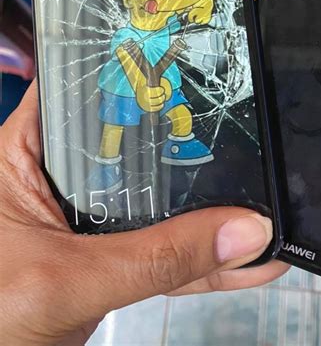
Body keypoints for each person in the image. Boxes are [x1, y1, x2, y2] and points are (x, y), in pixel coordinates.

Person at [0, 81, 289, 345]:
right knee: (116, 124)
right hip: (126, 87)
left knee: (178, 112)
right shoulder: (124, 53)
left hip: (160, 84)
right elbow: (128, 55)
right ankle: (108, 166)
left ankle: (181, 142)